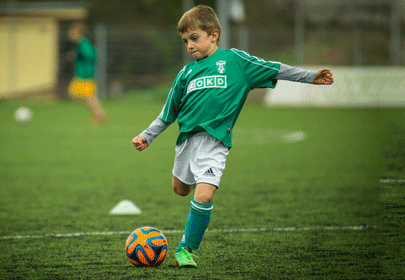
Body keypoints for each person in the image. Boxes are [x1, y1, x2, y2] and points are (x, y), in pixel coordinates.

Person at [131, 5, 334, 268]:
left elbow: (274, 68)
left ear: (214, 35)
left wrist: (310, 76)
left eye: (195, 38)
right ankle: (195, 191)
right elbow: (168, 113)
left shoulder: (236, 62)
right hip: (186, 143)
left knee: (203, 196)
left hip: (215, 142)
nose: (190, 46)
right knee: (180, 189)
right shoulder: (186, 74)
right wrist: (147, 136)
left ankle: (186, 248)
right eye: (185, 41)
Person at [67, 22, 107, 126]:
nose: (70, 34)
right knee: (82, 95)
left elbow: (91, 55)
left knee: (85, 96)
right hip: (82, 74)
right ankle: (98, 114)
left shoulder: (83, 43)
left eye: (72, 32)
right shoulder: (80, 44)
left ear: (78, 33)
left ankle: (99, 115)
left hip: (85, 74)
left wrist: (77, 54)